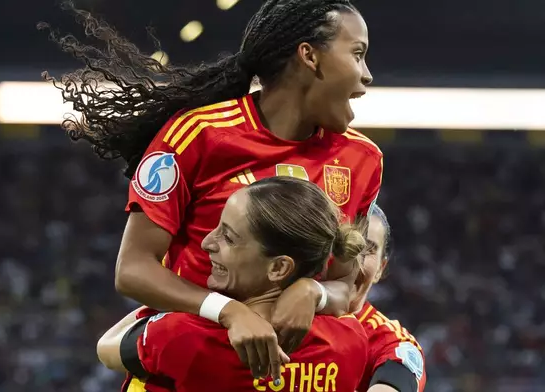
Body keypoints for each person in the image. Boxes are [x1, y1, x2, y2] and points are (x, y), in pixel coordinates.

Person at [42, 0, 382, 378]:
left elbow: (345, 286)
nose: (367, 75)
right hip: (190, 361)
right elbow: (133, 269)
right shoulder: (197, 136)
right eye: (358, 54)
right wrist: (227, 310)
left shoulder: (362, 159)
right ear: (309, 56)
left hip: (285, 375)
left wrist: (312, 292)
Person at [96, 177, 369, 392]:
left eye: (228, 237)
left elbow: (107, 347)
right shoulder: (351, 340)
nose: (207, 243)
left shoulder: (184, 337)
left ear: (278, 268)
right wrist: (311, 289)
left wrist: (217, 306)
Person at [351, 205, 427, 392]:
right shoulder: (276, 316)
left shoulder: (392, 343)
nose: (354, 260)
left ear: (380, 268)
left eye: (368, 249)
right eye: (346, 244)